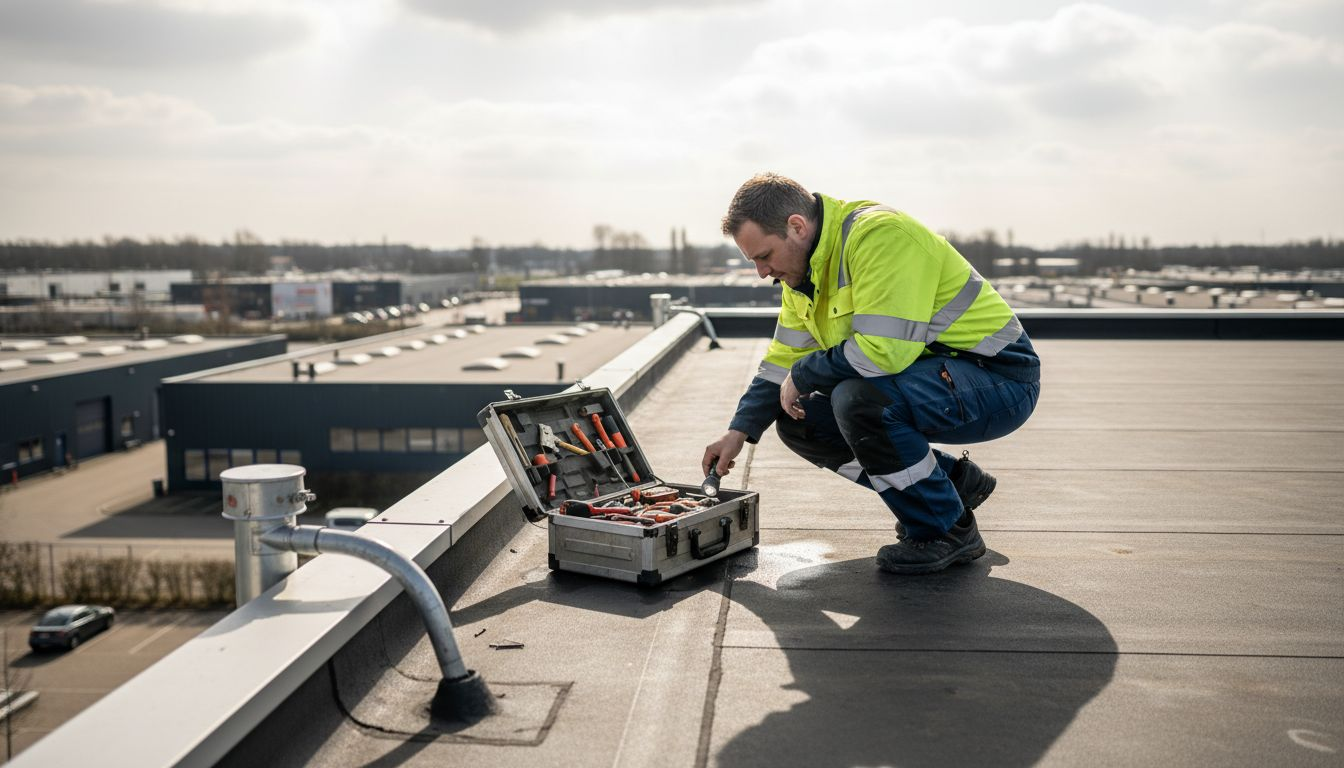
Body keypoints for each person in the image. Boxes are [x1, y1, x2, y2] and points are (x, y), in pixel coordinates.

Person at [701, 173, 1041, 574]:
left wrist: (807, 372)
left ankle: (946, 530)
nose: (762, 272)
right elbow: (781, 362)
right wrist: (737, 432)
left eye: (764, 256)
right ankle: (952, 483)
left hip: (998, 379)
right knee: (800, 423)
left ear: (796, 226)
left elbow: (884, 353)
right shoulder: (803, 276)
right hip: (934, 379)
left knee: (860, 401)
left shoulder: (880, 236)